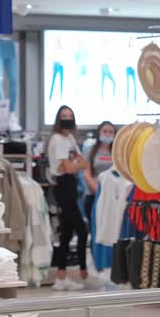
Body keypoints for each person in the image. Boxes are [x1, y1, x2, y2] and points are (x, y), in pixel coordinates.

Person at [46, 105, 89, 291]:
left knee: (66, 234)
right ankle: (83, 269)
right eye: (64, 115)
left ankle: (61, 277)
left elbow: (83, 162)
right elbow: (72, 167)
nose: (67, 118)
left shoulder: (70, 138)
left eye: (70, 115)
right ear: (58, 119)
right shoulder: (57, 140)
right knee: (81, 229)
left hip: (70, 184)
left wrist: (72, 165)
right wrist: (73, 164)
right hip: (63, 185)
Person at [83, 121, 116, 223]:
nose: (107, 134)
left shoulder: (117, 151)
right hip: (93, 196)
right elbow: (86, 174)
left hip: (113, 197)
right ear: (99, 133)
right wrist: (100, 192)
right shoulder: (89, 151)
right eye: (104, 131)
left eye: (110, 132)